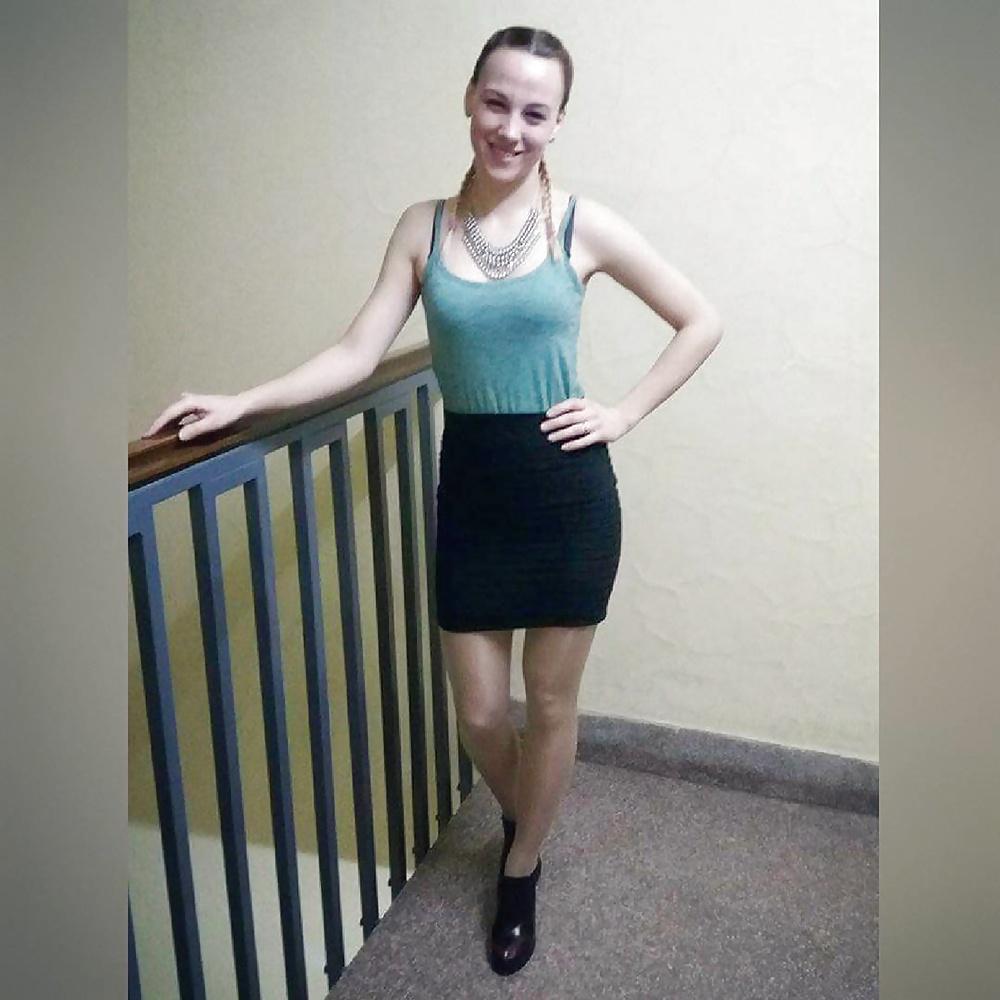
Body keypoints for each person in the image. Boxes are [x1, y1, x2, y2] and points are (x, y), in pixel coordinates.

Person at [143, 24, 723, 978]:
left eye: (534, 112)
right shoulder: (424, 227)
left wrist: (622, 413)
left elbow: (700, 319)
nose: (511, 128)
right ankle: (531, 812)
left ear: (558, 123)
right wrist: (242, 401)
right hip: (475, 492)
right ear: (469, 99)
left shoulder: (583, 225)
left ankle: (521, 866)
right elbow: (356, 352)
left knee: (550, 702)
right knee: (484, 715)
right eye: (496, 102)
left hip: (566, 494)